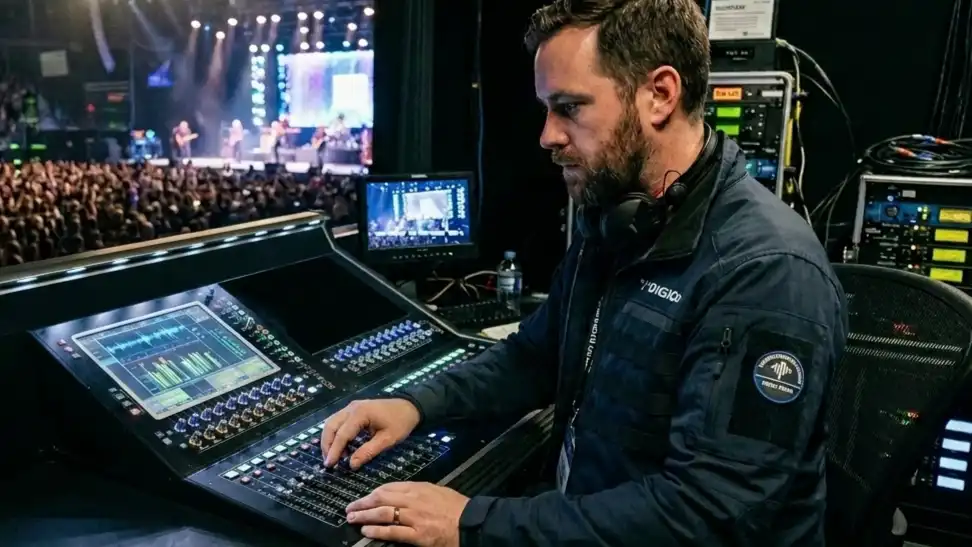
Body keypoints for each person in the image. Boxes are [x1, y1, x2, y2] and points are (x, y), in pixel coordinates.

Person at [321, 1, 847, 546]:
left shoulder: (768, 274)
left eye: (569, 108)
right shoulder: (618, 222)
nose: (547, 136)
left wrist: (472, 523)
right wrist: (416, 404)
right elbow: (534, 358)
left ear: (660, 95)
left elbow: (708, 513)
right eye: (547, 109)